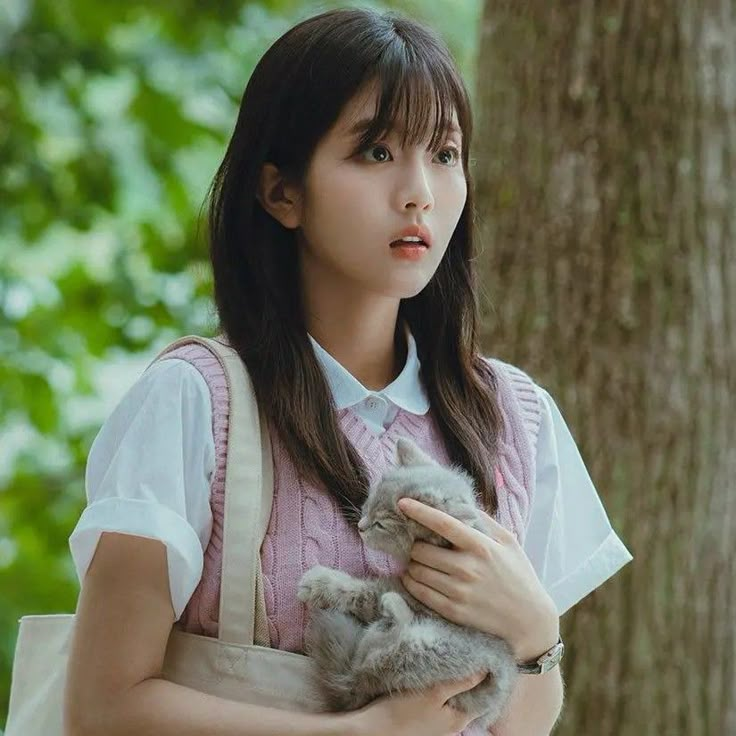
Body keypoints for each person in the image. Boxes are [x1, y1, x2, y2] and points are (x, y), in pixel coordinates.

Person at [63, 7, 633, 736]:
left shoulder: (514, 417)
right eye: (376, 152)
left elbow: (523, 720)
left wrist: (533, 634)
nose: (420, 190)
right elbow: (101, 707)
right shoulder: (197, 404)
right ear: (281, 192)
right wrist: (366, 732)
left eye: (446, 153)